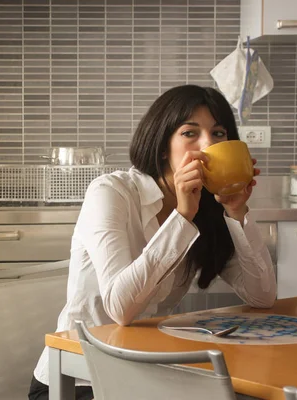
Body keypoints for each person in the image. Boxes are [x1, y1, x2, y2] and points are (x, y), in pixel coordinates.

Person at [28, 84, 277, 400]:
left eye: (218, 134)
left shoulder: (209, 209)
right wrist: (182, 217)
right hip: (78, 381)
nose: (207, 144)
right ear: (163, 146)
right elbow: (121, 309)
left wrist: (237, 210)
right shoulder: (111, 192)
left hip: (152, 374)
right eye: (190, 133)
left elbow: (263, 296)